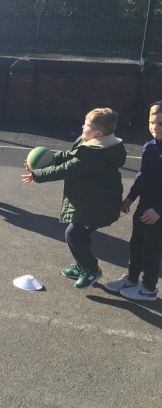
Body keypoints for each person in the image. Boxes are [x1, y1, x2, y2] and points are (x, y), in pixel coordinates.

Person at [22, 108, 127, 289]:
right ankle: (81, 266)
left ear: (98, 133)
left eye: (87, 125)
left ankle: (91, 270)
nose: (82, 127)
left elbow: (67, 169)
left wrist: (37, 175)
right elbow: (68, 157)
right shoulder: (88, 143)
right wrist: (49, 160)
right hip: (90, 201)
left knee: (74, 234)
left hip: (99, 206)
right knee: (79, 235)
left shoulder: (94, 154)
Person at [104, 100, 162, 301]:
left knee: (151, 251)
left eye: (160, 124)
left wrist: (158, 210)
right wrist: (130, 197)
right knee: (136, 244)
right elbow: (142, 177)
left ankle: (149, 288)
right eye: (152, 122)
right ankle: (132, 278)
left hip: (157, 214)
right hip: (144, 207)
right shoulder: (149, 147)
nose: (155, 127)